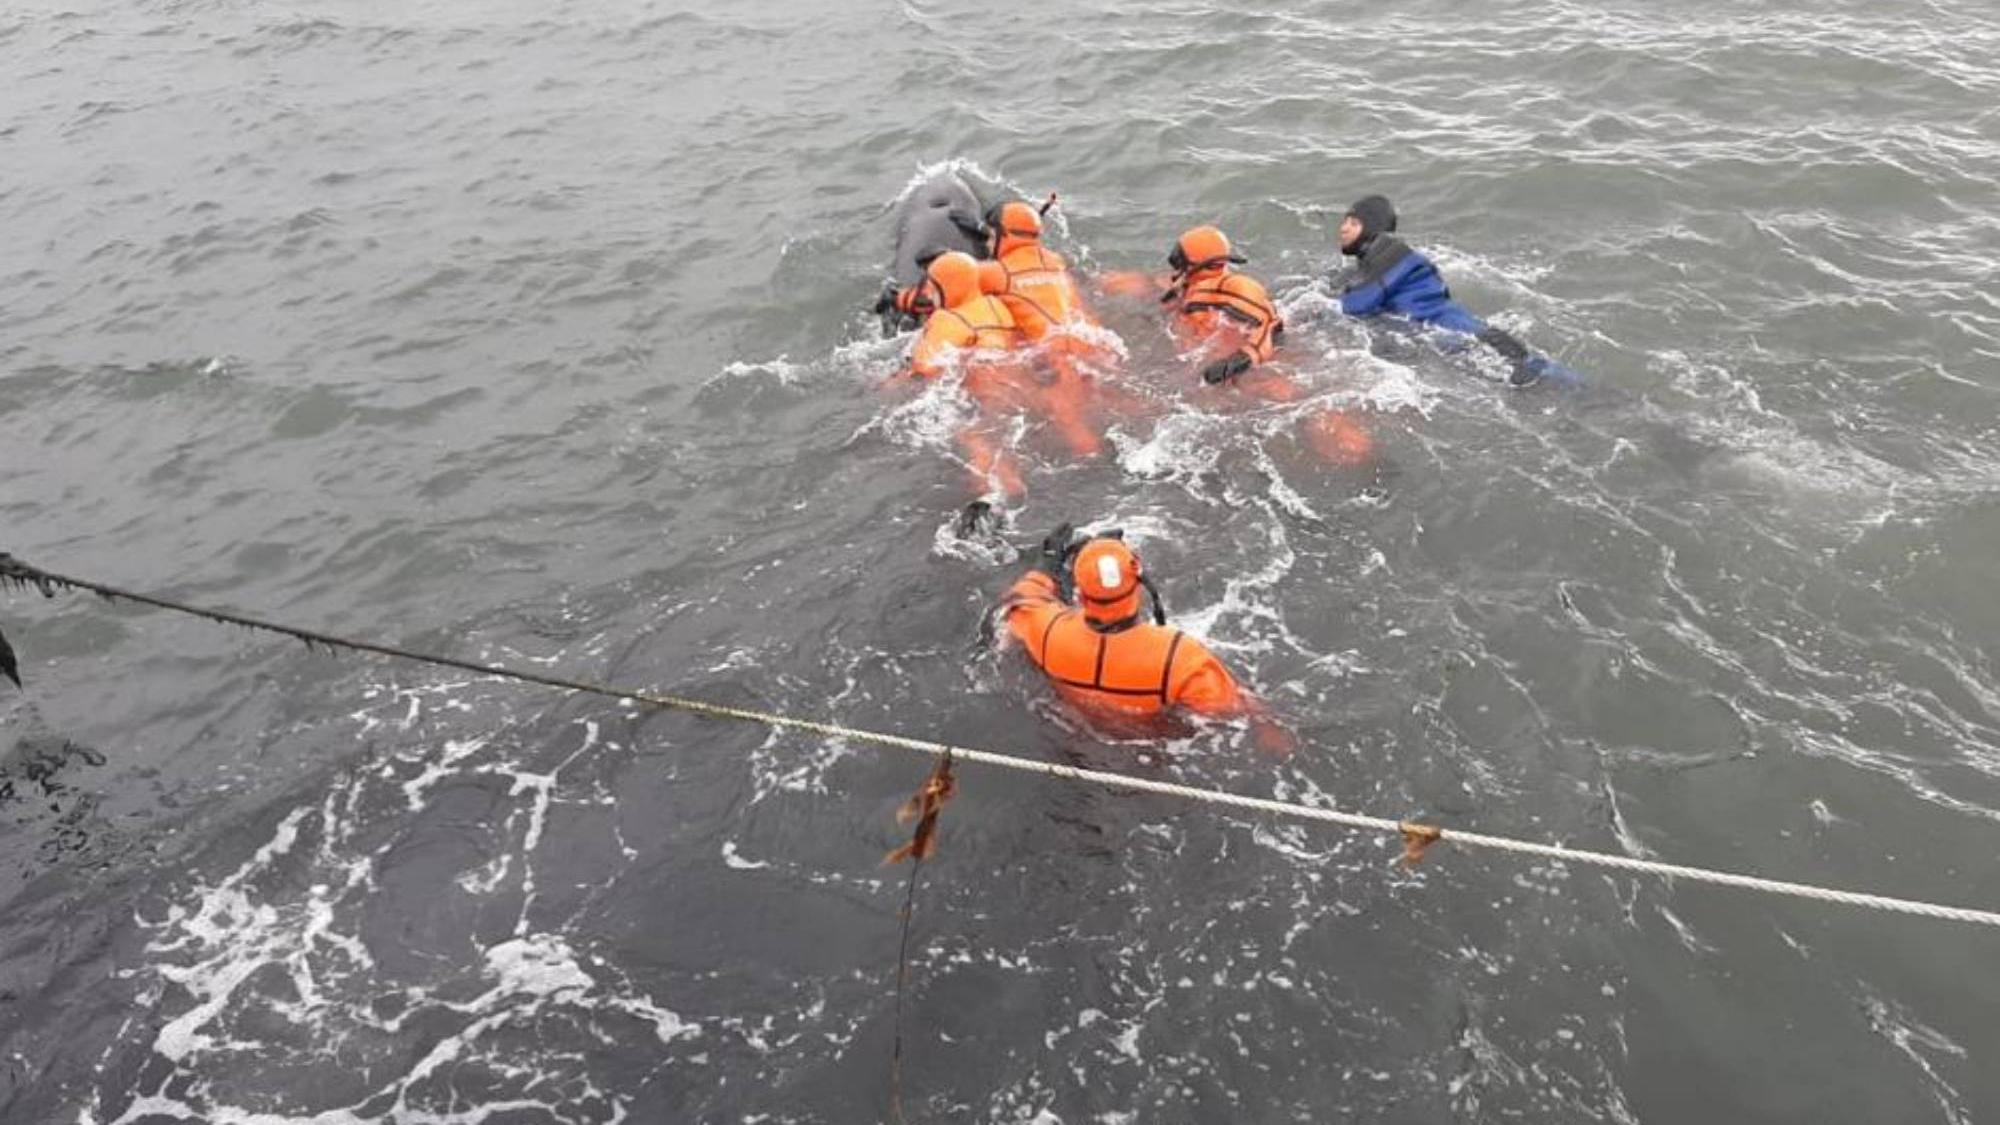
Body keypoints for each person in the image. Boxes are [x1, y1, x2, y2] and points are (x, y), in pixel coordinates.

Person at [999, 524, 1244, 718]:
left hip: (1076, 733)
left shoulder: (1050, 632)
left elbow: (1019, 601)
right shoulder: (1180, 658)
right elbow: (1229, 712)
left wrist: (1046, 566)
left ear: (1081, 593)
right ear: (1139, 583)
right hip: (1151, 750)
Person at [1333, 195, 1577, 387]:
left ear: (1373, 228)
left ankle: (1602, 398)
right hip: (1453, 335)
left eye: (1353, 223)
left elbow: (1356, 305)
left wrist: (1318, 303)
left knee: (1545, 377)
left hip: (1465, 334)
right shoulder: (1373, 264)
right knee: (1532, 388)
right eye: (1344, 221)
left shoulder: (1392, 251)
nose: (1343, 228)